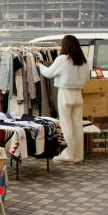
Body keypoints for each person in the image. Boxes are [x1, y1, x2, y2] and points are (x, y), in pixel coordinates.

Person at [39, 35, 91, 163]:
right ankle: (78, 155)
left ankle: (68, 155)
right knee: (78, 125)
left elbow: (49, 73)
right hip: (78, 94)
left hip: (65, 93)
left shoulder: (63, 59)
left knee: (66, 124)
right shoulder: (84, 61)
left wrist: (39, 65)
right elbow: (87, 78)